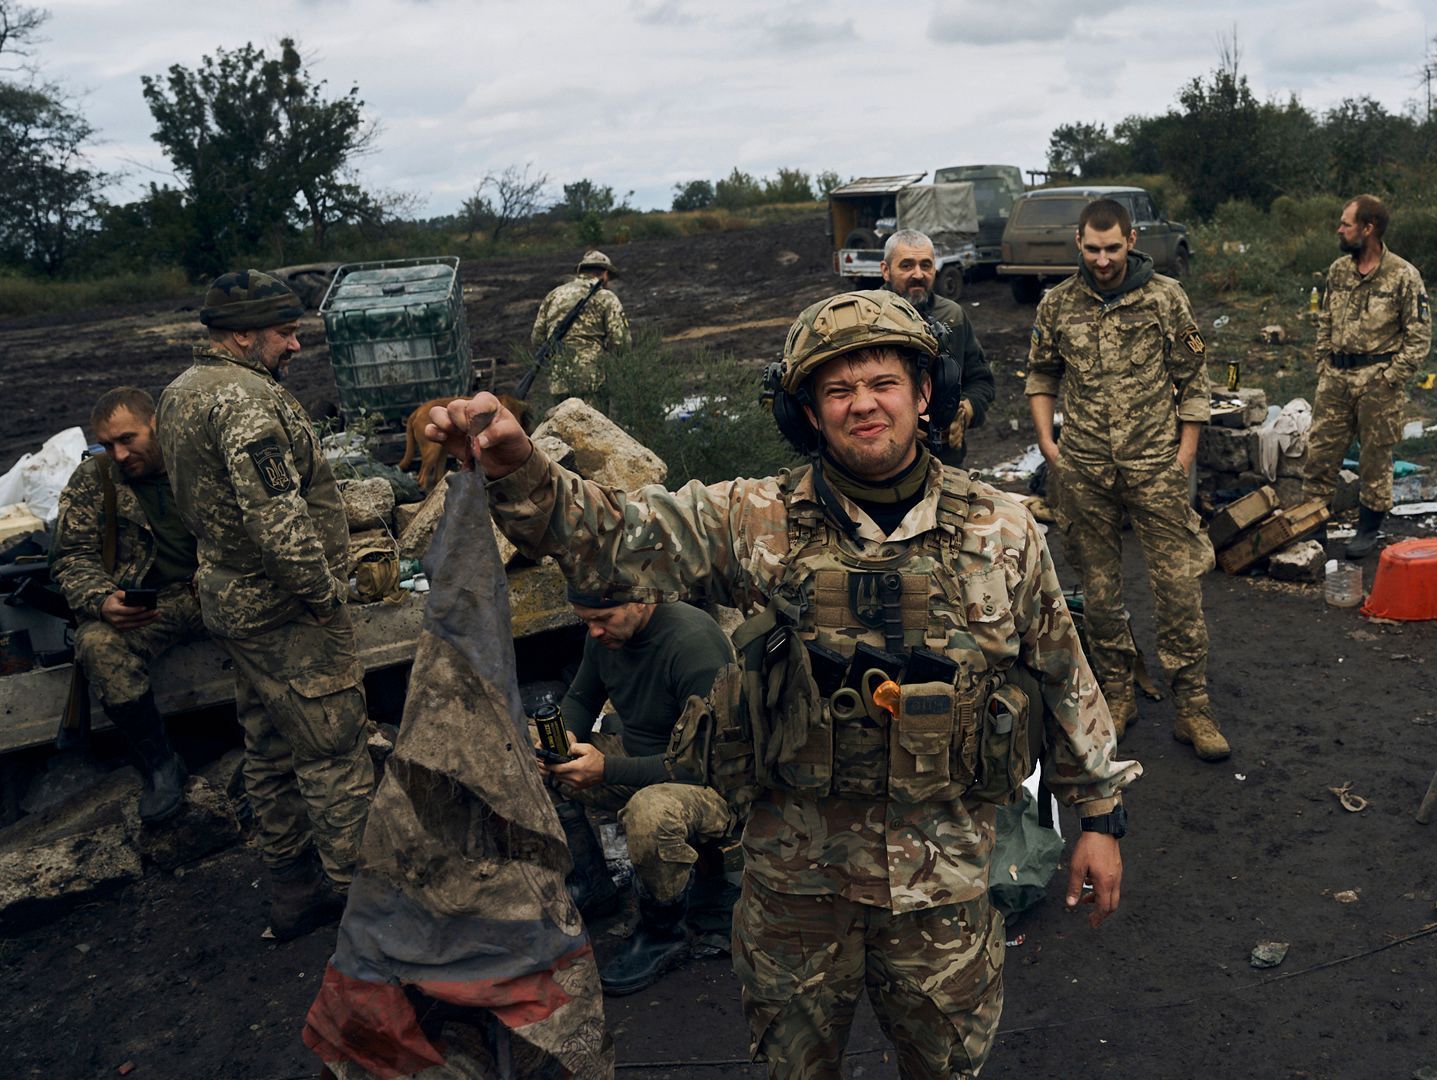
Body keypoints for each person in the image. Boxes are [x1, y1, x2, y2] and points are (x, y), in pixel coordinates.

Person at [425, 288, 1137, 1079]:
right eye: (837, 389)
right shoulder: (753, 519)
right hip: (798, 891)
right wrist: (520, 467)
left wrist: (1101, 818)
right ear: (807, 410)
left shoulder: (1003, 529)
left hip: (943, 888)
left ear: (925, 393)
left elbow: (1063, 673)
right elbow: (611, 537)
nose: (863, 404)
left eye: (883, 383)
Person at [156, 270, 374, 941]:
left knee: (271, 749)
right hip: (285, 612)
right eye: (286, 333)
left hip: (232, 603)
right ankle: (371, 913)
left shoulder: (179, 393)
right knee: (334, 752)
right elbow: (278, 520)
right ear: (243, 334)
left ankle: (292, 890)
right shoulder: (248, 404)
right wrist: (324, 595)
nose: (297, 346)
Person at [1026, 196, 1226, 760]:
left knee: (1179, 587)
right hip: (1084, 467)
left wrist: (1184, 456)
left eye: (1113, 247)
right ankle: (1117, 693)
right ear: (1078, 243)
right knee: (1100, 589)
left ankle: (1193, 707)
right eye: (1092, 248)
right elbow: (1042, 372)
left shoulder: (1166, 298)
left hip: (1156, 465)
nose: (1103, 259)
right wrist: (1048, 442)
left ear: (1131, 240)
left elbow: (1194, 380)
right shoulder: (1058, 304)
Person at [542, 594, 741, 996]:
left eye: (603, 618)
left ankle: (664, 930)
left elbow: (700, 766)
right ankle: (593, 884)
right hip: (640, 762)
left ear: (643, 599)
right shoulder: (602, 638)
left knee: (650, 814)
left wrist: (606, 769)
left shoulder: (692, 644)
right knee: (533, 757)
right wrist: (563, 741)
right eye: (586, 621)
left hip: (713, 785)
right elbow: (581, 698)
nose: (594, 631)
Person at [50, 387, 205, 822]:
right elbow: (71, 557)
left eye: (127, 440)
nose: (118, 454)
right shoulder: (94, 480)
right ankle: (160, 762)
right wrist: (101, 600)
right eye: (107, 444)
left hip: (213, 591)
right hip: (148, 606)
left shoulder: (196, 460)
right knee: (96, 644)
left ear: (155, 425)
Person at [1301, 194, 1432, 559]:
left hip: (1379, 380)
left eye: (1346, 224)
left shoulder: (1404, 276)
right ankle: (1312, 527)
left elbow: (1418, 336)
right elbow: (1325, 320)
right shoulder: (1338, 271)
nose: (1339, 229)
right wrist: (1323, 363)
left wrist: (1391, 377)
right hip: (1336, 378)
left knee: (1375, 458)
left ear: (1368, 228)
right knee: (1319, 455)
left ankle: (1368, 529)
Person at [878, 229, 994, 466]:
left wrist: (965, 411)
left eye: (926, 265)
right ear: (886, 270)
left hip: (946, 462)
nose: (918, 274)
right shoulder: (865, 319)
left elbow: (982, 382)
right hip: (882, 465)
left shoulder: (953, 316)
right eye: (907, 266)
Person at [530, 249, 631, 412]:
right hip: (592, 380)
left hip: (559, 380)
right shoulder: (606, 297)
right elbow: (621, 342)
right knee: (594, 432)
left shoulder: (553, 295)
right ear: (604, 273)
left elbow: (537, 338)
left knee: (564, 433)